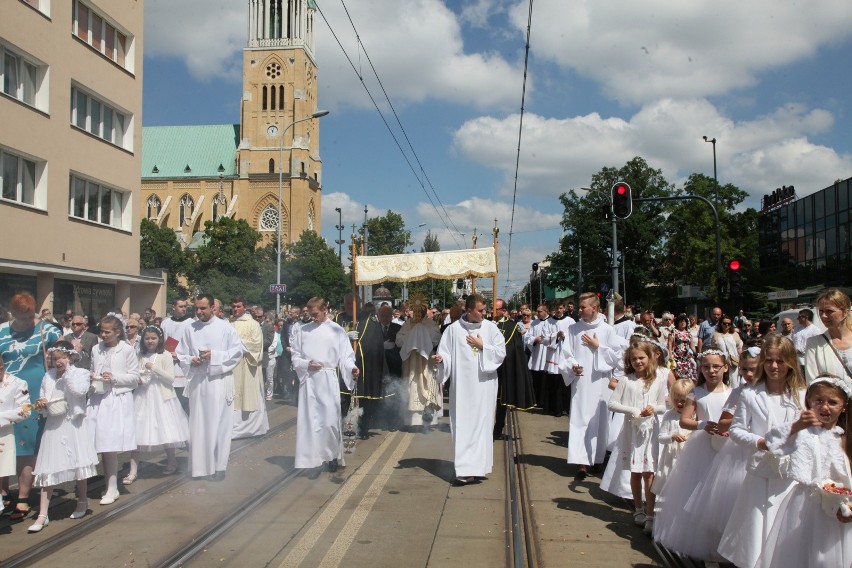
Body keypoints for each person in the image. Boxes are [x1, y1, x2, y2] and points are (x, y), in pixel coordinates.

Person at [717, 335, 805, 568]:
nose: (774, 366)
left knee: (786, 526)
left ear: (791, 362)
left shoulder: (801, 395)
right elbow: (736, 429)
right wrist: (759, 442)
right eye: (769, 361)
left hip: (791, 474)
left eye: (780, 361)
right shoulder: (750, 394)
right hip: (761, 471)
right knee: (757, 528)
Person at [756, 374, 852, 567]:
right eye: (819, 401)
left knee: (830, 556)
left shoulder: (844, 437)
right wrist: (797, 425)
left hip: (839, 505)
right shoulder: (803, 432)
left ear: (843, 407)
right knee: (804, 553)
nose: (825, 407)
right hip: (806, 503)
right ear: (809, 401)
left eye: (833, 402)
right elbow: (770, 443)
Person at [653, 349, 731, 559]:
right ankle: (703, 543)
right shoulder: (696, 393)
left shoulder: (733, 392)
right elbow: (684, 420)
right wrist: (702, 424)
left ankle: (721, 544)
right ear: (701, 369)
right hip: (703, 445)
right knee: (699, 493)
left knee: (722, 495)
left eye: (716, 366)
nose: (711, 371)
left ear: (725, 367)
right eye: (706, 367)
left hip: (727, 446)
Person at [0, 292, 63, 520]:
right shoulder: (1, 331)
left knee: (27, 446)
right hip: (5, 393)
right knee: (4, 443)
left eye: (29, 317)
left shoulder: (48, 330)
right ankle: (3, 492)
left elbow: (63, 357)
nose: (26, 322)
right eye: (21, 317)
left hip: (34, 395)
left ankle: (23, 496)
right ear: (12, 313)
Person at [432, 294, 506, 485]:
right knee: (463, 425)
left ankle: (479, 468)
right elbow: (445, 353)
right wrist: (441, 360)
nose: (484, 313)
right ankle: (464, 471)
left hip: (485, 386)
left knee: (483, 425)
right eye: (480, 310)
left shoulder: (491, 328)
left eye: (484, 310)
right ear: (469, 310)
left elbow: (501, 353)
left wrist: (483, 346)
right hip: (463, 388)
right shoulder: (453, 330)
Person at [28, 341, 98, 531]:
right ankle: (43, 514)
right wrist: (42, 403)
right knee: (47, 467)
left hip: (72, 422)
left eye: (61, 357)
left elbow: (79, 391)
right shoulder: (48, 375)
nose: (57, 361)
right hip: (53, 423)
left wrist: (66, 373)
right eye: (54, 358)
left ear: (70, 357)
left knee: (78, 462)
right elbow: (44, 396)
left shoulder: (80, 373)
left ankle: (82, 501)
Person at [176, 294, 245, 479]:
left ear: (213, 307)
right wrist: (192, 360)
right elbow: (181, 353)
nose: (199, 312)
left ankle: (219, 466)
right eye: (196, 308)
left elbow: (237, 352)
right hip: (199, 381)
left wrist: (214, 355)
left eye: (203, 308)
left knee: (219, 423)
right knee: (198, 424)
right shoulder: (190, 328)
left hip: (219, 381)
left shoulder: (225, 327)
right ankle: (199, 468)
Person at [559, 292, 625, 479]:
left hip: (601, 382)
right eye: (579, 307)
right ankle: (581, 461)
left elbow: (617, 357)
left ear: (594, 308)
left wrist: (598, 347)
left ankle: (597, 458)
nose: (579, 310)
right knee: (580, 419)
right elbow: (566, 354)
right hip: (580, 382)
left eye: (583, 307)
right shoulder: (573, 329)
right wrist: (573, 366)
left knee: (600, 420)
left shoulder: (607, 330)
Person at [291, 297, 359, 473]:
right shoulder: (303, 331)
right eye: (310, 314)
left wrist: (352, 369)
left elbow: (346, 356)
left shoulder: (336, 330)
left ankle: (331, 455)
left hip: (327, 380)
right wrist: (306, 364)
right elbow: (295, 357)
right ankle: (310, 459)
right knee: (310, 422)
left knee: (329, 421)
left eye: (315, 314)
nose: (312, 318)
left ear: (325, 309)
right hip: (309, 381)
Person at [607, 341, 668, 533]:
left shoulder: (657, 380)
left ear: (650, 358)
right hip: (632, 431)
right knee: (635, 472)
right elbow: (612, 403)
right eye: (634, 359)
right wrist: (633, 410)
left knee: (649, 472)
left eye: (641, 358)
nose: (638, 362)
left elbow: (663, 404)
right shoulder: (626, 380)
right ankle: (638, 508)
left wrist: (653, 409)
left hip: (650, 431)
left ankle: (651, 514)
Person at [87, 313, 139, 505]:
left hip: (116, 400)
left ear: (118, 332)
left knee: (109, 444)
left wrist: (114, 376)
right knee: (97, 443)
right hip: (97, 398)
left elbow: (134, 377)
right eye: (101, 331)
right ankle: (105, 483)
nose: (103, 335)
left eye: (107, 332)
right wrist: (93, 376)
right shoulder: (95, 349)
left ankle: (112, 487)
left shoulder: (126, 350)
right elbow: (94, 369)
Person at [126, 326, 189, 481]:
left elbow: (170, 378)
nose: (150, 341)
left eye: (153, 338)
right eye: (147, 338)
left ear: (159, 339)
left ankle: (172, 461)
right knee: (138, 431)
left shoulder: (165, 355)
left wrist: (153, 367)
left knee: (166, 428)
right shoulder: (140, 354)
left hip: (162, 395)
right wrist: (138, 379)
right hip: (143, 396)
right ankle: (132, 470)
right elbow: (135, 373)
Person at [396, 298, 442, 430]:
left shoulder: (430, 324)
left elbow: (436, 339)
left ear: (424, 311)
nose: (418, 313)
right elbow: (399, 340)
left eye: (420, 311)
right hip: (411, 361)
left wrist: (421, 335)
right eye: (416, 310)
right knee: (412, 386)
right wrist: (413, 336)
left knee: (427, 385)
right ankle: (411, 421)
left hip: (426, 361)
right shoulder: (408, 324)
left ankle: (428, 420)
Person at [493, 298, 536, 439]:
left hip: (504, 368)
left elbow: (516, 348)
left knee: (501, 401)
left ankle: (497, 429)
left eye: (496, 308)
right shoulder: (487, 325)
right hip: (488, 369)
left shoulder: (513, 326)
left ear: (504, 310)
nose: (493, 311)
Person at [230, 297, 269, 439]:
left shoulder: (253, 324)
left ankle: (254, 427)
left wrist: (238, 344)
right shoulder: (230, 324)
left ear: (244, 307)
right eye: (233, 306)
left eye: (238, 306)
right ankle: (233, 428)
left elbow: (257, 345)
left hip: (248, 364)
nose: (235, 309)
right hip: (233, 366)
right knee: (235, 395)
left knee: (249, 392)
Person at [804, 289, 852, 383]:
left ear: (846, 312)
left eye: (829, 311)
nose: (823, 316)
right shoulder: (814, 344)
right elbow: (812, 382)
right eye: (821, 311)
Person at [0, 358, 29, 511]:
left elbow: (25, 411)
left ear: (1, 367)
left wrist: (1, 418)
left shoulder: (17, 383)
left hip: (3, 435)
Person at [160, 297, 193, 414]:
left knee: (184, 401)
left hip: (183, 366)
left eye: (185, 307)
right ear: (173, 307)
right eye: (181, 306)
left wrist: (179, 354)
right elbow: (161, 342)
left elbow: (193, 345)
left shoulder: (191, 324)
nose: (184, 309)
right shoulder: (165, 323)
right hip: (168, 364)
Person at [525, 304, 552, 412]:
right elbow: (528, 336)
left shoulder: (551, 322)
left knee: (545, 379)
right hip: (536, 353)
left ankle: (544, 402)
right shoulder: (534, 323)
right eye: (537, 311)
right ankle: (535, 400)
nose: (538, 313)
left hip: (547, 352)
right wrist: (534, 339)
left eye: (540, 311)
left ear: (546, 311)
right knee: (536, 378)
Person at [668, 314, 697, 382]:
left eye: (684, 321)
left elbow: (692, 345)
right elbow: (670, 344)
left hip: (687, 358)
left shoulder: (688, 334)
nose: (683, 323)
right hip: (676, 358)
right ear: (677, 323)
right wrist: (670, 355)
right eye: (680, 321)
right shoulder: (673, 332)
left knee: (687, 377)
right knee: (677, 377)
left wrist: (695, 354)